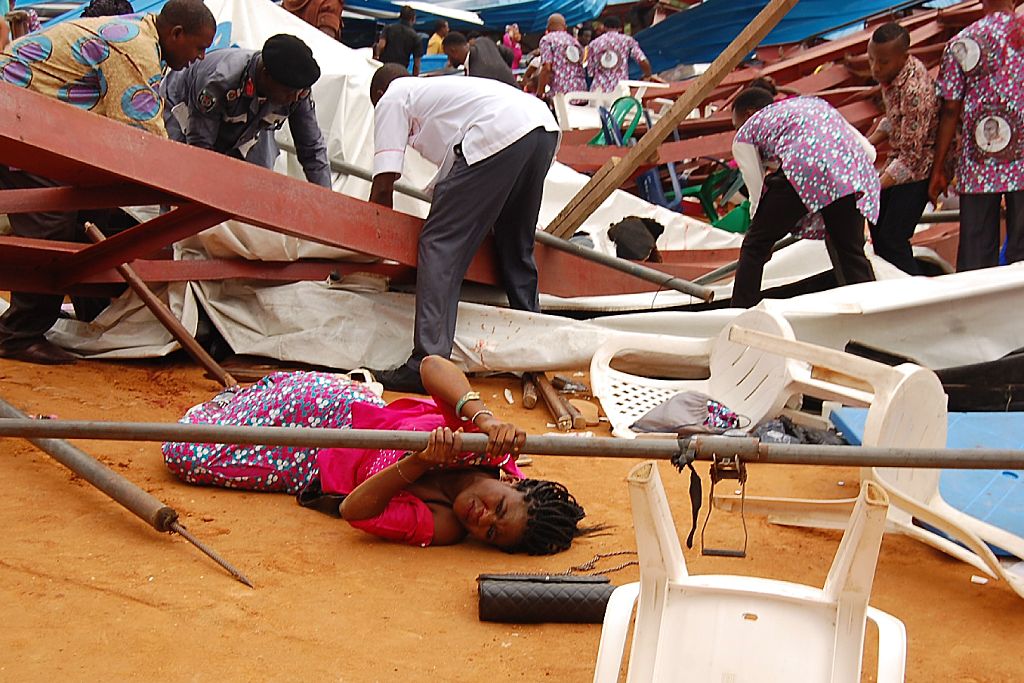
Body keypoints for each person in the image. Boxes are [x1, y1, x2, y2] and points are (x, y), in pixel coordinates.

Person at [163, 356, 591, 554]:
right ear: (511, 482)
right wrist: (482, 417)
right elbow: (430, 366)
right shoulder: (483, 443)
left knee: (187, 454)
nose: (483, 519)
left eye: (492, 534)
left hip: (310, 462)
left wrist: (420, 462)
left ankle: (236, 409)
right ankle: (240, 402)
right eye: (500, 508)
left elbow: (354, 510)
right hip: (340, 409)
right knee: (261, 401)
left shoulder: (442, 525)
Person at [0, 0, 216, 365]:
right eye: (198, 47)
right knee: (51, 230)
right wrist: (194, 197)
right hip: (18, 119)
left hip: (41, 124)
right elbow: (147, 140)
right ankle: (17, 336)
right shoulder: (136, 52)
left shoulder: (142, 37)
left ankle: (95, 319)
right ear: (176, 34)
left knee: (98, 219)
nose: (200, 57)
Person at [367, 65, 560, 393]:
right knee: (514, 246)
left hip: (500, 132)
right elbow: (459, 174)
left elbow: (384, 184)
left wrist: (373, 242)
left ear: (379, 94)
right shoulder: (443, 94)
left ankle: (427, 362)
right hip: (542, 128)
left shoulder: (392, 97)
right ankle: (535, 353)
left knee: (439, 243)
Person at [730, 88, 879, 307]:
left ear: (749, 113)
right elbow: (869, 152)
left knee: (754, 246)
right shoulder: (814, 103)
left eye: (736, 124)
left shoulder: (746, 132)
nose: (736, 130)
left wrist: (761, 229)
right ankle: (872, 306)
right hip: (849, 171)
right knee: (849, 249)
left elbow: (756, 187)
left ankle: (740, 311)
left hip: (803, 169)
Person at [161, 34, 331, 188]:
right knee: (178, 176)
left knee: (258, 187)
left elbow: (312, 149)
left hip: (248, 125)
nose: (295, 98)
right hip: (185, 111)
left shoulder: (297, 91)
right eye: (288, 92)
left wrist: (327, 203)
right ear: (265, 75)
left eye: (299, 92)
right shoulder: (220, 80)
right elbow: (200, 147)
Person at [930, 0, 1024, 271]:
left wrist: (939, 169)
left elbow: (950, 109)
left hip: (979, 162)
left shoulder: (962, 42)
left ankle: (978, 308)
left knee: (977, 253)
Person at [865, 22, 938, 276]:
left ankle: (915, 290)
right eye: (871, 59)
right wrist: (869, 141)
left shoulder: (914, 91)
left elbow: (911, 156)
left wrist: (873, 185)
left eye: (882, 62)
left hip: (918, 169)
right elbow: (894, 119)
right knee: (876, 226)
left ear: (903, 57)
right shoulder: (892, 76)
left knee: (893, 238)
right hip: (899, 160)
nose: (875, 68)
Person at [586, 15, 656, 93]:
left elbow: (590, 72)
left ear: (604, 27)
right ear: (620, 28)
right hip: (620, 90)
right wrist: (647, 74)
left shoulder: (593, 44)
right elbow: (642, 59)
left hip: (598, 90)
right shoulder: (627, 41)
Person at [536, 13, 586, 101]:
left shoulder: (547, 40)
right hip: (580, 91)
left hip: (560, 93)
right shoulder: (575, 41)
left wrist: (540, 92)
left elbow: (547, 68)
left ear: (547, 28)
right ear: (565, 27)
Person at [442, 31, 515, 87]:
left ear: (453, 51)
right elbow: (509, 53)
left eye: (448, 55)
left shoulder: (476, 77)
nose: (449, 61)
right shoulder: (483, 41)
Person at [376, 5, 422, 76]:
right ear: (413, 19)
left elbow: (381, 45)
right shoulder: (415, 37)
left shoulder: (388, 28)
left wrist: (376, 56)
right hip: (400, 71)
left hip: (384, 68)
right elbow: (417, 64)